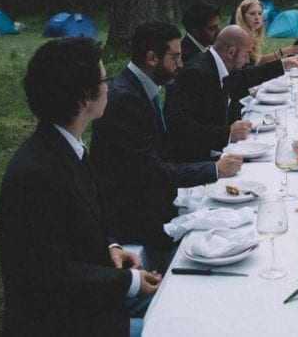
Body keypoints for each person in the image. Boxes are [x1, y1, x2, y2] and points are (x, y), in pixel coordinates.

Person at [0, 37, 160, 335]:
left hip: (90, 302)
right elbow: (46, 276)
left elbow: (81, 221)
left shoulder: (64, 145)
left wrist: (110, 245)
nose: (108, 86)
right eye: (103, 79)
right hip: (66, 321)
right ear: (86, 97)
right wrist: (130, 282)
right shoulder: (36, 175)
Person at [90, 22, 243, 272]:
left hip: (151, 197)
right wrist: (213, 170)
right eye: (175, 57)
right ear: (152, 58)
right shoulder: (125, 99)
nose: (181, 65)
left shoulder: (139, 88)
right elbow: (150, 172)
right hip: (134, 214)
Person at [164, 25, 298, 162]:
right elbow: (179, 126)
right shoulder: (196, 73)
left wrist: (283, 64)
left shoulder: (215, 64)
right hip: (197, 160)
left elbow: (243, 78)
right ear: (231, 52)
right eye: (246, 54)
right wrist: (226, 133)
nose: (247, 60)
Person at [234, 0, 298, 65]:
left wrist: (284, 55)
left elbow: (257, 61)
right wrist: (282, 55)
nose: (257, 17)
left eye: (260, 13)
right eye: (252, 14)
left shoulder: (252, 35)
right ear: (243, 16)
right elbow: (252, 67)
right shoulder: (242, 38)